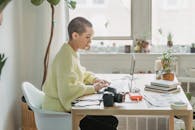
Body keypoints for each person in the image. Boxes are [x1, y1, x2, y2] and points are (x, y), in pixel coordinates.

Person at [42, 17, 118, 130]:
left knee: (111, 120)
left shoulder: (71, 52)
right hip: (59, 113)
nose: (90, 41)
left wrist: (94, 79)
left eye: (91, 37)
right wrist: (93, 88)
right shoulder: (65, 57)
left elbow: (80, 73)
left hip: (65, 109)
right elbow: (68, 91)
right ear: (75, 35)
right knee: (108, 124)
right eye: (87, 37)